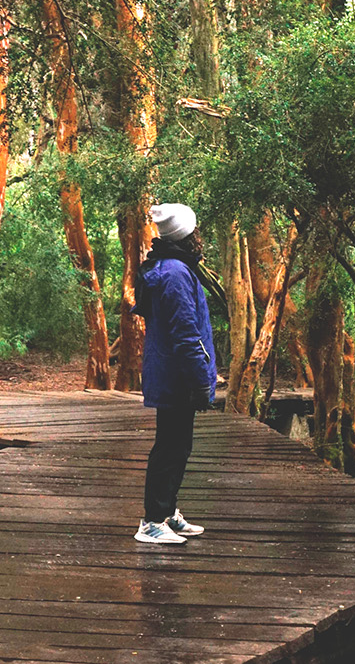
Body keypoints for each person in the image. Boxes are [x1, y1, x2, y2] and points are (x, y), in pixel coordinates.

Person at [132, 203, 217, 545]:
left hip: (171, 371)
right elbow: (186, 333)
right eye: (196, 232)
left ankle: (166, 513)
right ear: (186, 235)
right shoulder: (176, 274)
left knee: (179, 446)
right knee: (170, 447)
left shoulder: (171, 267)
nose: (199, 238)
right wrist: (199, 380)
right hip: (176, 375)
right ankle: (152, 522)